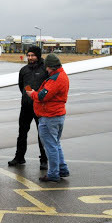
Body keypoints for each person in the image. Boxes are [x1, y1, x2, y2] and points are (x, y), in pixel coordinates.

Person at [26, 54, 70, 183]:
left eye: (47, 67)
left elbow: (42, 96)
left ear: (51, 67)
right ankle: (62, 169)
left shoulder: (55, 79)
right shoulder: (62, 75)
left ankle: (53, 174)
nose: (46, 69)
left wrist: (32, 93)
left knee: (51, 147)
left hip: (50, 117)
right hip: (57, 115)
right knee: (56, 144)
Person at [8, 45, 48, 169]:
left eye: (33, 55)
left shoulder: (45, 69)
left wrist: (38, 97)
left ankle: (44, 159)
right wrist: (27, 96)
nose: (30, 58)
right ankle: (19, 157)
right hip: (26, 107)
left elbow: (48, 87)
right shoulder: (24, 70)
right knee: (22, 133)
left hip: (40, 107)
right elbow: (22, 86)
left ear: (38, 56)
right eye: (28, 55)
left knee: (42, 134)